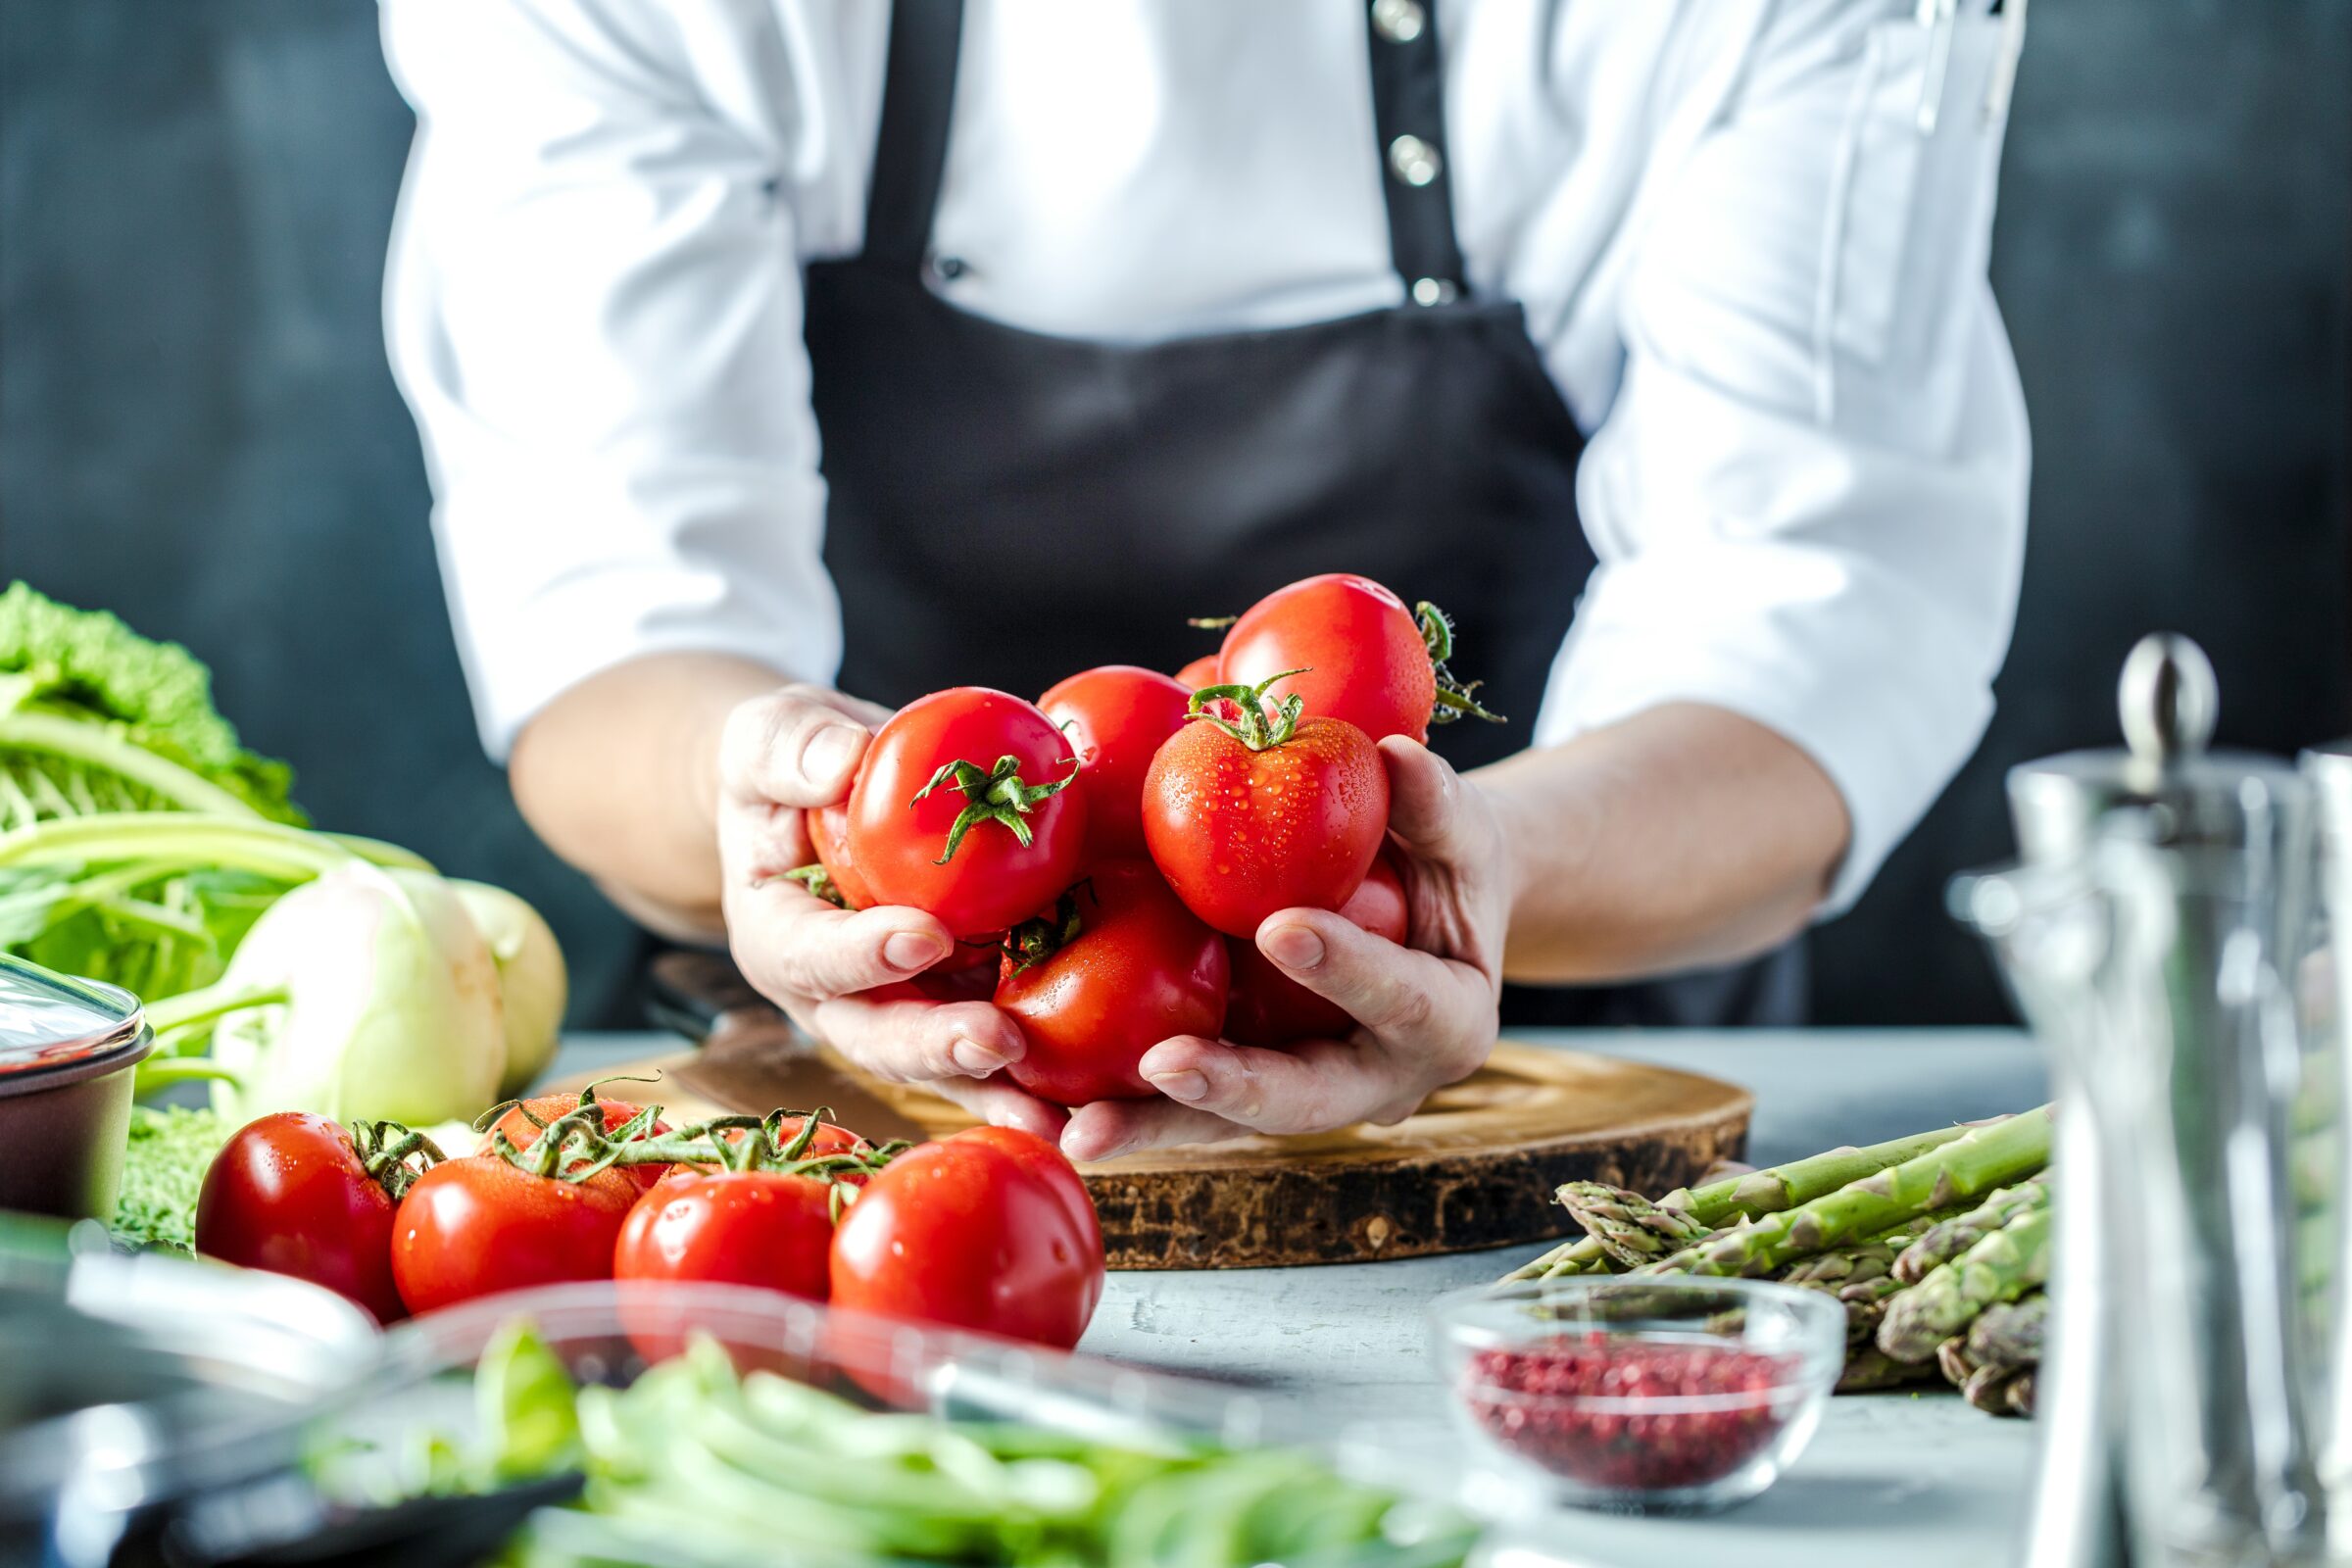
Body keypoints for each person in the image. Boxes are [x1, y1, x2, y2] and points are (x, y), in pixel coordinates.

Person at [381, 0, 2030, 1160]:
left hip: (1583, 1116)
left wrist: (1478, 875)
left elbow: (1819, 615)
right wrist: (784, 810)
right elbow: (615, 633)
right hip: (847, 1113)